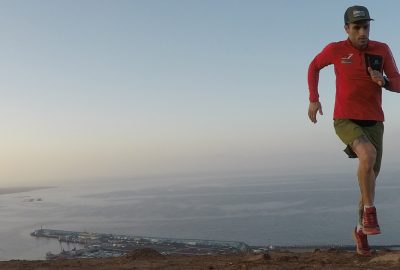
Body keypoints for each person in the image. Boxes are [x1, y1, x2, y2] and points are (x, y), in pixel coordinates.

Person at [307, 6, 400, 256]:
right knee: (367, 155)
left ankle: (360, 231)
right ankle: (370, 212)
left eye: (365, 27)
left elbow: (398, 82)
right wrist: (314, 99)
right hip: (345, 119)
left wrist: (384, 81)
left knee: (368, 180)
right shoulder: (335, 50)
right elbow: (314, 66)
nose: (362, 32)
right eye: (356, 27)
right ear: (346, 28)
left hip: (374, 122)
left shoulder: (382, 49)